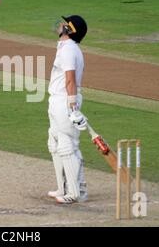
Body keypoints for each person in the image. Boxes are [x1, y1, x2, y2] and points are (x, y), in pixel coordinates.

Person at [47, 15, 89, 204]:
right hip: (57, 100)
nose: (61, 24)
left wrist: (72, 108)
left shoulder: (69, 50)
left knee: (67, 145)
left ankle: (75, 193)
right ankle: (63, 188)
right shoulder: (65, 48)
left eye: (65, 23)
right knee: (54, 143)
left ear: (69, 30)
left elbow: (70, 79)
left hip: (65, 101)